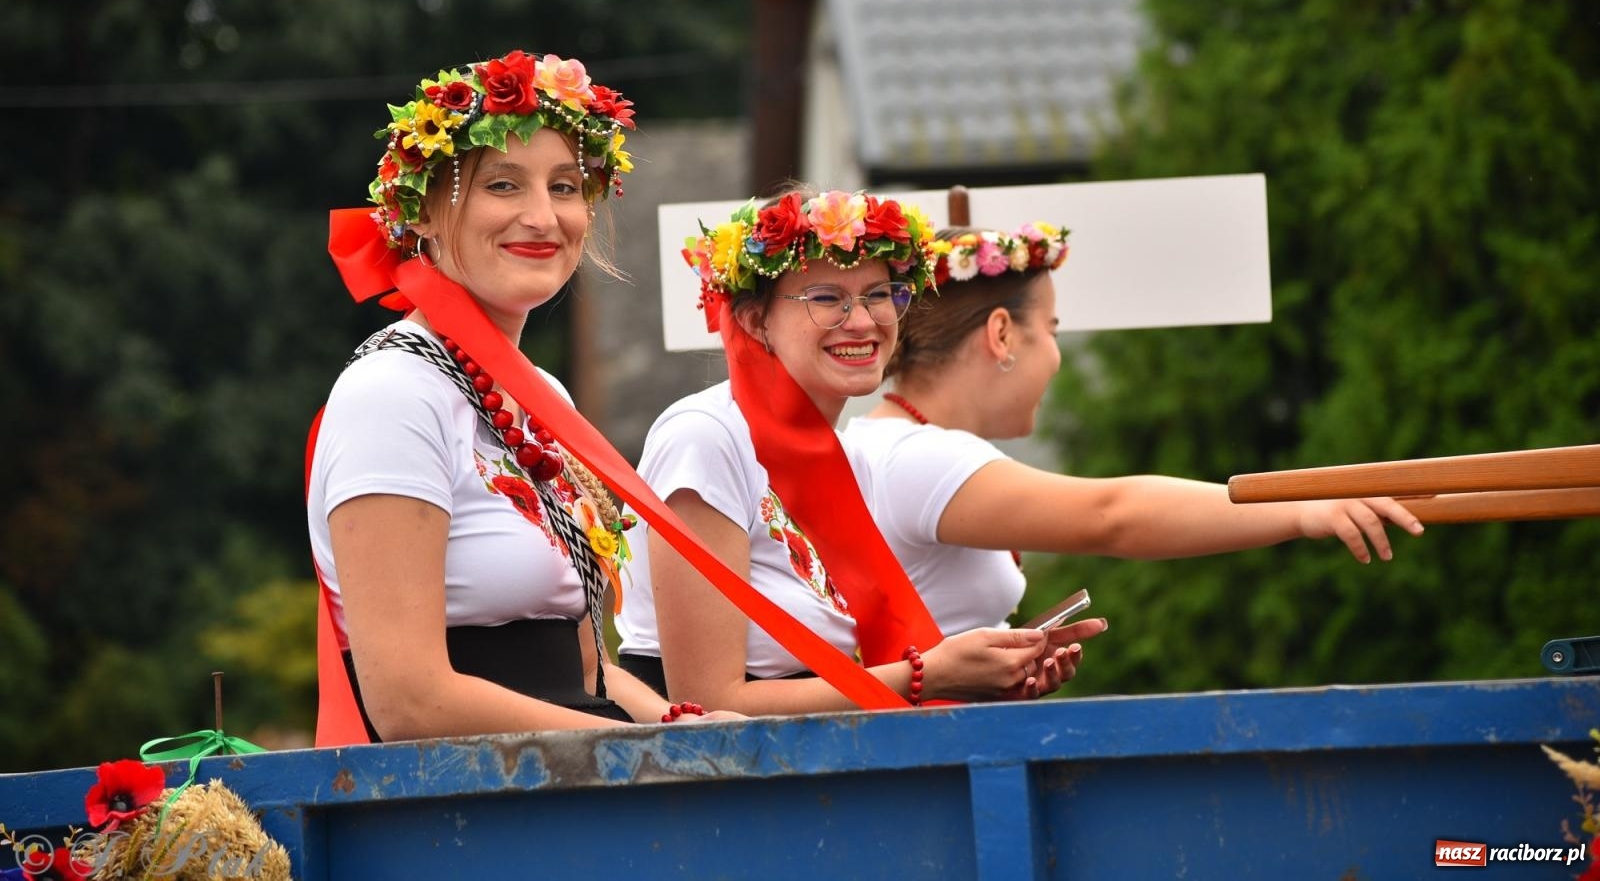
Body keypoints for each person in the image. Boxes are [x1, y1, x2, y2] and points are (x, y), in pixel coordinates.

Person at [306, 49, 737, 740]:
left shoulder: (540, 393)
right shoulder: (392, 392)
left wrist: (690, 728)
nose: (542, 216)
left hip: (573, 765)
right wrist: (637, 751)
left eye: (565, 187)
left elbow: (588, 673)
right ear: (419, 211)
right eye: (503, 186)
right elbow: (410, 702)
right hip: (471, 799)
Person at [615, 191, 1106, 713]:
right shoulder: (707, 437)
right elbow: (708, 702)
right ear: (757, 321)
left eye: (879, 293)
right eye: (826, 298)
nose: (863, 320)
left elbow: (846, 679)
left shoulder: (850, 459)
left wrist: (987, 676)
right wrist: (929, 675)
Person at [842, 222, 1426, 636]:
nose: (1057, 354)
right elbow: (1113, 515)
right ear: (1001, 334)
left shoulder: (891, 446)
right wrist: (1302, 510)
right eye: (1051, 328)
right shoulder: (915, 458)